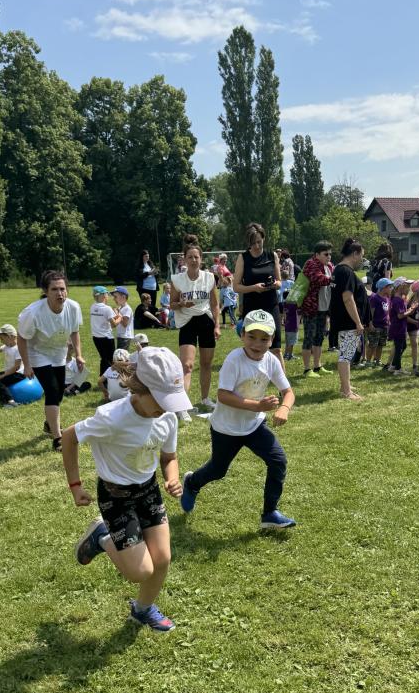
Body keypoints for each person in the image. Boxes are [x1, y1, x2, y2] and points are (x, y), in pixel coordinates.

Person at [63, 346, 192, 634]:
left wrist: (172, 478)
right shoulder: (112, 417)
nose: (166, 407)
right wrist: (75, 486)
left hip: (148, 491)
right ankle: (101, 537)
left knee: (162, 559)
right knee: (140, 570)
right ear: (139, 388)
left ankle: (142, 609)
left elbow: (169, 457)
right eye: (161, 399)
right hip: (116, 496)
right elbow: (70, 437)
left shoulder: (167, 418)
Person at [179, 309, 296, 529]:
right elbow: (223, 395)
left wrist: (284, 408)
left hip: (254, 425)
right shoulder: (234, 359)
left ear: (272, 340)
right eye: (251, 336)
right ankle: (192, 483)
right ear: (242, 335)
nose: (257, 343)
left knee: (278, 460)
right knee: (218, 470)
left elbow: (288, 392)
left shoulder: (271, 360)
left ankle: (270, 514)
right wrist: (258, 406)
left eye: (264, 339)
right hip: (226, 428)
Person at [17, 269, 84, 451]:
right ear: (45, 291)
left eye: (62, 289)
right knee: (52, 390)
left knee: (59, 392)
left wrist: (78, 354)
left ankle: (49, 423)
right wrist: (27, 365)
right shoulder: (33, 313)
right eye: (54, 289)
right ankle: (57, 438)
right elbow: (21, 338)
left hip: (59, 352)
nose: (59, 293)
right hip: (37, 352)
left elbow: (74, 331)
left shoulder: (73, 307)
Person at [170, 237, 221, 416]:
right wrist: (182, 304)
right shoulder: (177, 279)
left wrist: (217, 325)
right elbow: (172, 305)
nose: (193, 260)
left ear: (201, 259)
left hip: (206, 321)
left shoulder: (209, 278)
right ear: (184, 259)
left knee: (206, 363)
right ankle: (183, 406)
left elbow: (215, 304)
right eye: (190, 257)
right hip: (187, 322)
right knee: (187, 365)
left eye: (196, 257)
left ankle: (205, 398)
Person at [232, 223, 283, 363]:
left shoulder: (272, 255)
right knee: (252, 347)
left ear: (264, 239)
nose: (256, 246)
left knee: (276, 347)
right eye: (253, 243)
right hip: (251, 306)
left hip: (271, 305)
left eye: (259, 242)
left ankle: (281, 377)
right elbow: (236, 287)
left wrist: (274, 284)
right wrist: (254, 288)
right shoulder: (243, 258)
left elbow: (280, 282)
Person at [329, 238, 368, 400]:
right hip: (348, 321)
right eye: (361, 255)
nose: (361, 259)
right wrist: (358, 322)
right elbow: (347, 298)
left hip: (341, 319)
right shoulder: (346, 272)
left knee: (347, 353)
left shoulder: (338, 269)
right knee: (346, 355)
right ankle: (346, 391)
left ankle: (346, 385)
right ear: (354, 254)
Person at [300, 241, 334, 377]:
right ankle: (307, 369)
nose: (329, 257)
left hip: (323, 308)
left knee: (319, 337)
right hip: (311, 308)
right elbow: (319, 279)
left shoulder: (329, 266)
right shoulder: (311, 264)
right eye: (326, 254)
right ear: (317, 254)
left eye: (330, 254)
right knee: (309, 337)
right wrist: (336, 279)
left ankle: (317, 366)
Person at [90, 286, 122, 380]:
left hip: (96, 337)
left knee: (104, 358)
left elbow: (104, 318)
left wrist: (114, 314)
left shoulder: (93, 306)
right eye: (107, 294)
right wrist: (120, 317)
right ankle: (108, 379)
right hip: (107, 338)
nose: (108, 296)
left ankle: (102, 378)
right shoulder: (107, 308)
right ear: (103, 295)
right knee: (110, 360)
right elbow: (114, 324)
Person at [0, 324, 25, 406]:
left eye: (2, 339)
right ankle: (3, 398)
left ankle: (11, 402)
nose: (1, 341)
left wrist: (4, 375)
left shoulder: (18, 348)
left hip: (18, 374)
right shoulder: (7, 346)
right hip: (10, 372)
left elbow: (17, 367)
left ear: (10, 337)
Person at [386, 278, 413, 374]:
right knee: (399, 348)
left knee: (403, 346)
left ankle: (393, 366)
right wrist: (411, 310)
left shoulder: (397, 299)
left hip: (399, 327)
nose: (409, 289)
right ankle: (398, 369)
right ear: (401, 287)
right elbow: (400, 315)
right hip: (398, 327)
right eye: (407, 287)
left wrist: (409, 309)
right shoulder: (398, 300)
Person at [364, 278, 392, 367]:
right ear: (383, 288)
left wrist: (389, 320)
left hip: (384, 325)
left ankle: (377, 360)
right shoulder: (374, 298)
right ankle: (368, 361)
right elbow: (370, 312)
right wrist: (370, 324)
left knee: (381, 344)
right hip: (376, 325)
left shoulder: (387, 298)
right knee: (372, 344)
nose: (391, 289)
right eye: (389, 287)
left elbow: (387, 312)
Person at [283, 293, 299, 361]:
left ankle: (286, 354)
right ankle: (290, 355)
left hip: (287, 324)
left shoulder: (285, 303)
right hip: (293, 324)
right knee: (292, 342)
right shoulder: (295, 304)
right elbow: (298, 314)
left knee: (287, 341)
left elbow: (284, 313)